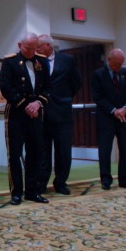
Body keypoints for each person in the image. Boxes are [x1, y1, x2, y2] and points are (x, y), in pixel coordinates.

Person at [0, 32, 51, 205]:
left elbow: (48, 88)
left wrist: (38, 104)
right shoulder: (10, 61)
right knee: (14, 155)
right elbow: (6, 88)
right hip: (16, 114)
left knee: (35, 153)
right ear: (20, 45)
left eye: (34, 48)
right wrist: (26, 105)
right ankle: (16, 192)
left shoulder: (42, 61)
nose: (31, 51)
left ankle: (33, 191)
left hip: (36, 114)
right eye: (28, 48)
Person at [36, 34, 82, 195]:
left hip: (62, 113)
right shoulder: (35, 61)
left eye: (39, 46)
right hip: (41, 114)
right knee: (43, 150)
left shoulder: (67, 60)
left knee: (63, 150)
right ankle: (41, 183)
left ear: (48, 46)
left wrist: (65, 98)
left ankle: (61, 182)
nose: (37, 49)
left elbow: (77, 82)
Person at [91, 49, 126, 190]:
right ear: (108, 60)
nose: (119, 66)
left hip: (125, 118)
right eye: (117, 63)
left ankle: (124, 179)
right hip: (107, 118)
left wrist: (125, 108)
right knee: (105, 150)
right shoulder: (98, 75)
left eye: (121, 63)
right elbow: (98, 97)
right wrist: (114, 110)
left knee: (125, 149)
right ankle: (106, 179)